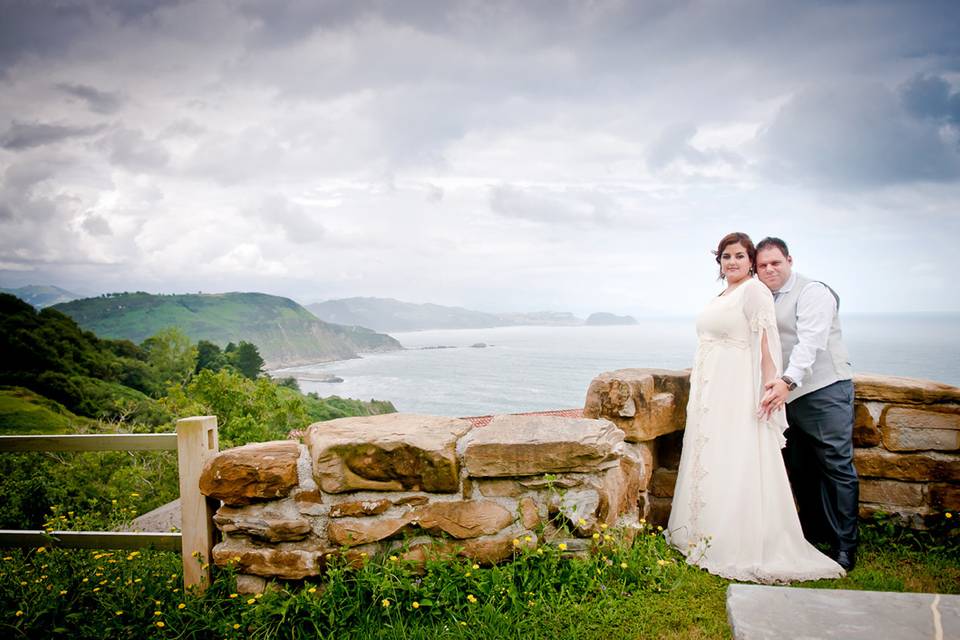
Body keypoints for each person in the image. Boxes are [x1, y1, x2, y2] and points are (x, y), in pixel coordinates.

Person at [666, 232, 844, 584]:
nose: (731, 262)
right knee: (712, 456)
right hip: (711, 389)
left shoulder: (754, 291)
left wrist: (770, 388)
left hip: (737, 389)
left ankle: (739, 542)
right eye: (725, 257)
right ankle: (702, 530)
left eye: (738, 256)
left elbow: (767, 345)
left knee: (737, 456)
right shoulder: (723, 294)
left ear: (750, 262)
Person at [756, 237, 858, 571]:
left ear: (789, 260)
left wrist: (787, 381)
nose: (769, 269)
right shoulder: (761, 297)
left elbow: (809, 342)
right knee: (800, 468)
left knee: (836, 465)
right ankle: (813, 536)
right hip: (785, 397)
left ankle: (845, 545)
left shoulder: (813, 292)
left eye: (776, 263)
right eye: (763, 265)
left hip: (824, 390)